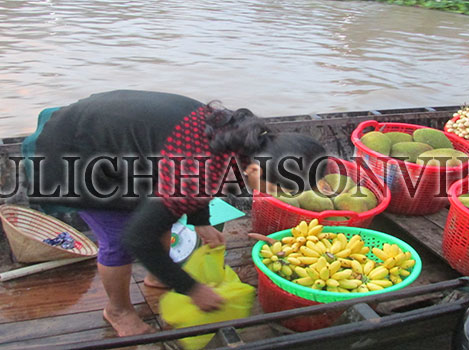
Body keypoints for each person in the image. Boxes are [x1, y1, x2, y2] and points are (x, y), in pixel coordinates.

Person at [21, 90, 327, 337]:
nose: (273, 194)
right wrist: (191, 288)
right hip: (77, 148)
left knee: (161, 215)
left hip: (127, 146)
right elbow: (138, 237)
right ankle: (118, 310)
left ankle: (158, 274)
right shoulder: (198, 172)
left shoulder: (245, 140)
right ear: (257, 169)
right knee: (119, 238)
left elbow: (199, 179)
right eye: (277, 187)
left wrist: (200, 221)